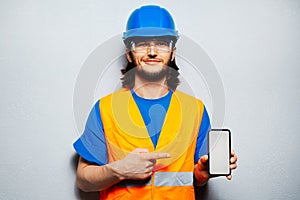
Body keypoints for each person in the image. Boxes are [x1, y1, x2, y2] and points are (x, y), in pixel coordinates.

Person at [73, 5, 237, 200]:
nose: (152, 52)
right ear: (129, 53)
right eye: (142, 44)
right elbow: (83, 181)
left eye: (161, 43)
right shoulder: (105, 109)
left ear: (172, 52)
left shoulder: (195, 110)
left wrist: (201, 175)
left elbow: (191, 179)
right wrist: (119, 170)